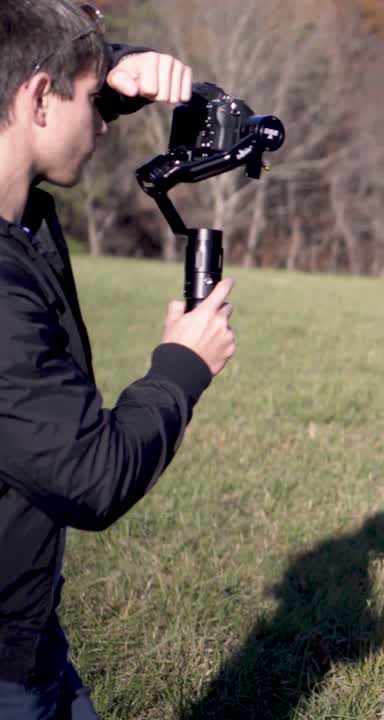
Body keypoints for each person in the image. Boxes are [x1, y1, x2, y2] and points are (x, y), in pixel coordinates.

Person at [0, 2, 237, 717]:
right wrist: (181, 368)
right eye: (91, 100)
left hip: (28, 633)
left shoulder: (20, 222)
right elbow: (91, 476)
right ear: (39, 98)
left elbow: (25, 44)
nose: (104, 124)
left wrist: (118, 68)